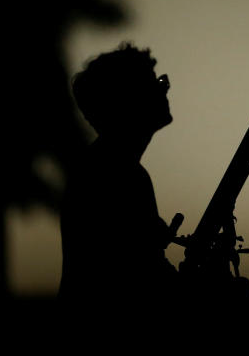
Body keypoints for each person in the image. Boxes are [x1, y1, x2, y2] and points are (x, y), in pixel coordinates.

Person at [59, 42, 178, 306]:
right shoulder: (120, 174)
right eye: (156, 82)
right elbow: (143, 280)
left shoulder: (105, 166)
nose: (165, 87)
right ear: (129, 99)